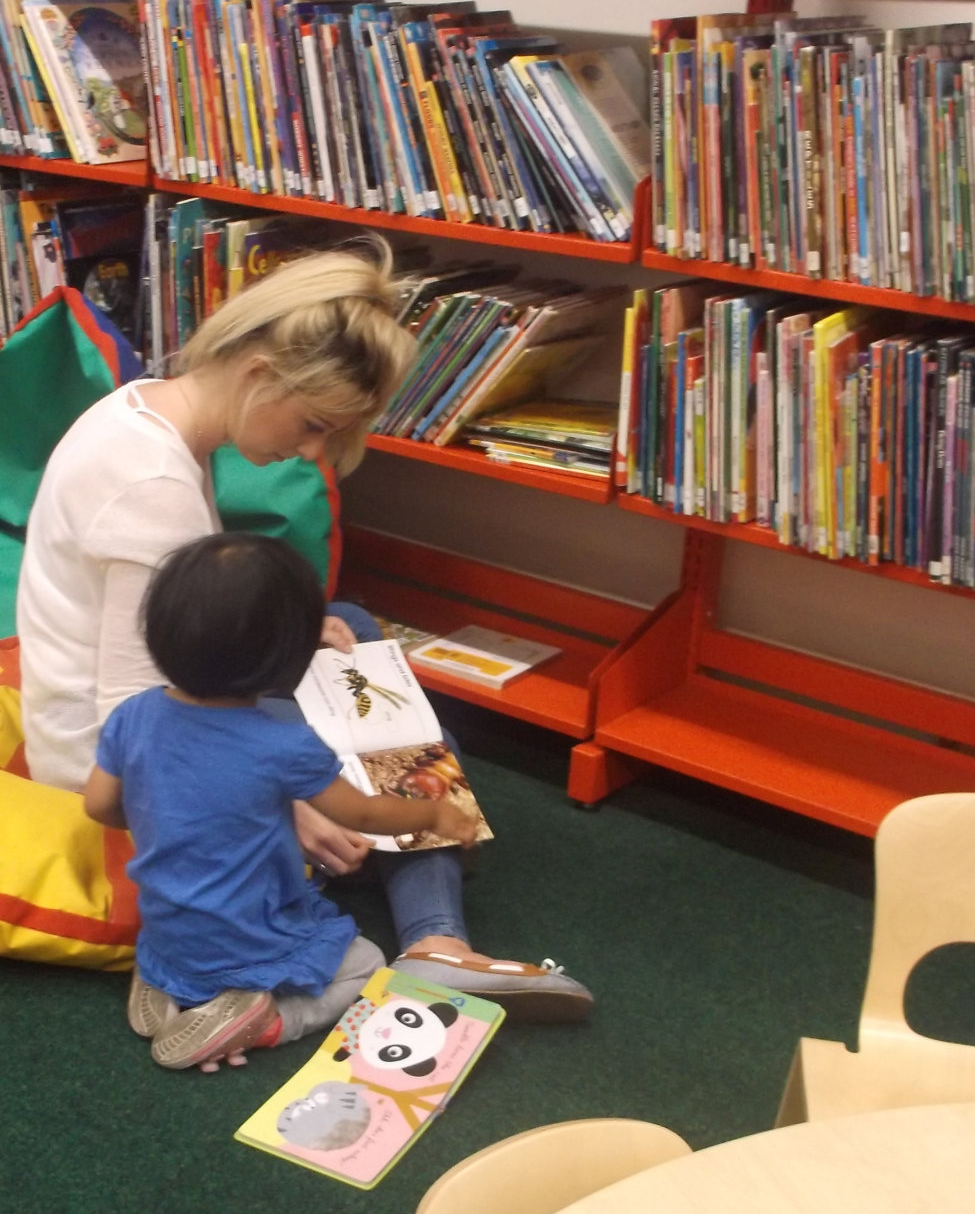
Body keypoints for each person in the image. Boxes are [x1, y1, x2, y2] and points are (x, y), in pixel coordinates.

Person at [16, 240, 593, 1021]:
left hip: (117, 712)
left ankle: (427, 922)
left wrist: (292, 637)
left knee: (349, 629)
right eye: (315, 424)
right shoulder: (152, 486)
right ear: (258, 373)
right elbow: (143, 713)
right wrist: (288, 804)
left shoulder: (147, 411)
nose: (312, 452)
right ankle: (434, 937)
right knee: (367, 709)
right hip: (106, 757)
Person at [84, 533, 480, 1072]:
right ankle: (270, 1022)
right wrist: (433, 812)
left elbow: (99, 805)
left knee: (190, 931)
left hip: (166, 929)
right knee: (364, 964)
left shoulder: (132, 715)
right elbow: (366, 814)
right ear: (285, 657)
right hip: (253, 939)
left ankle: (161, 979)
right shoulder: (284, 744)